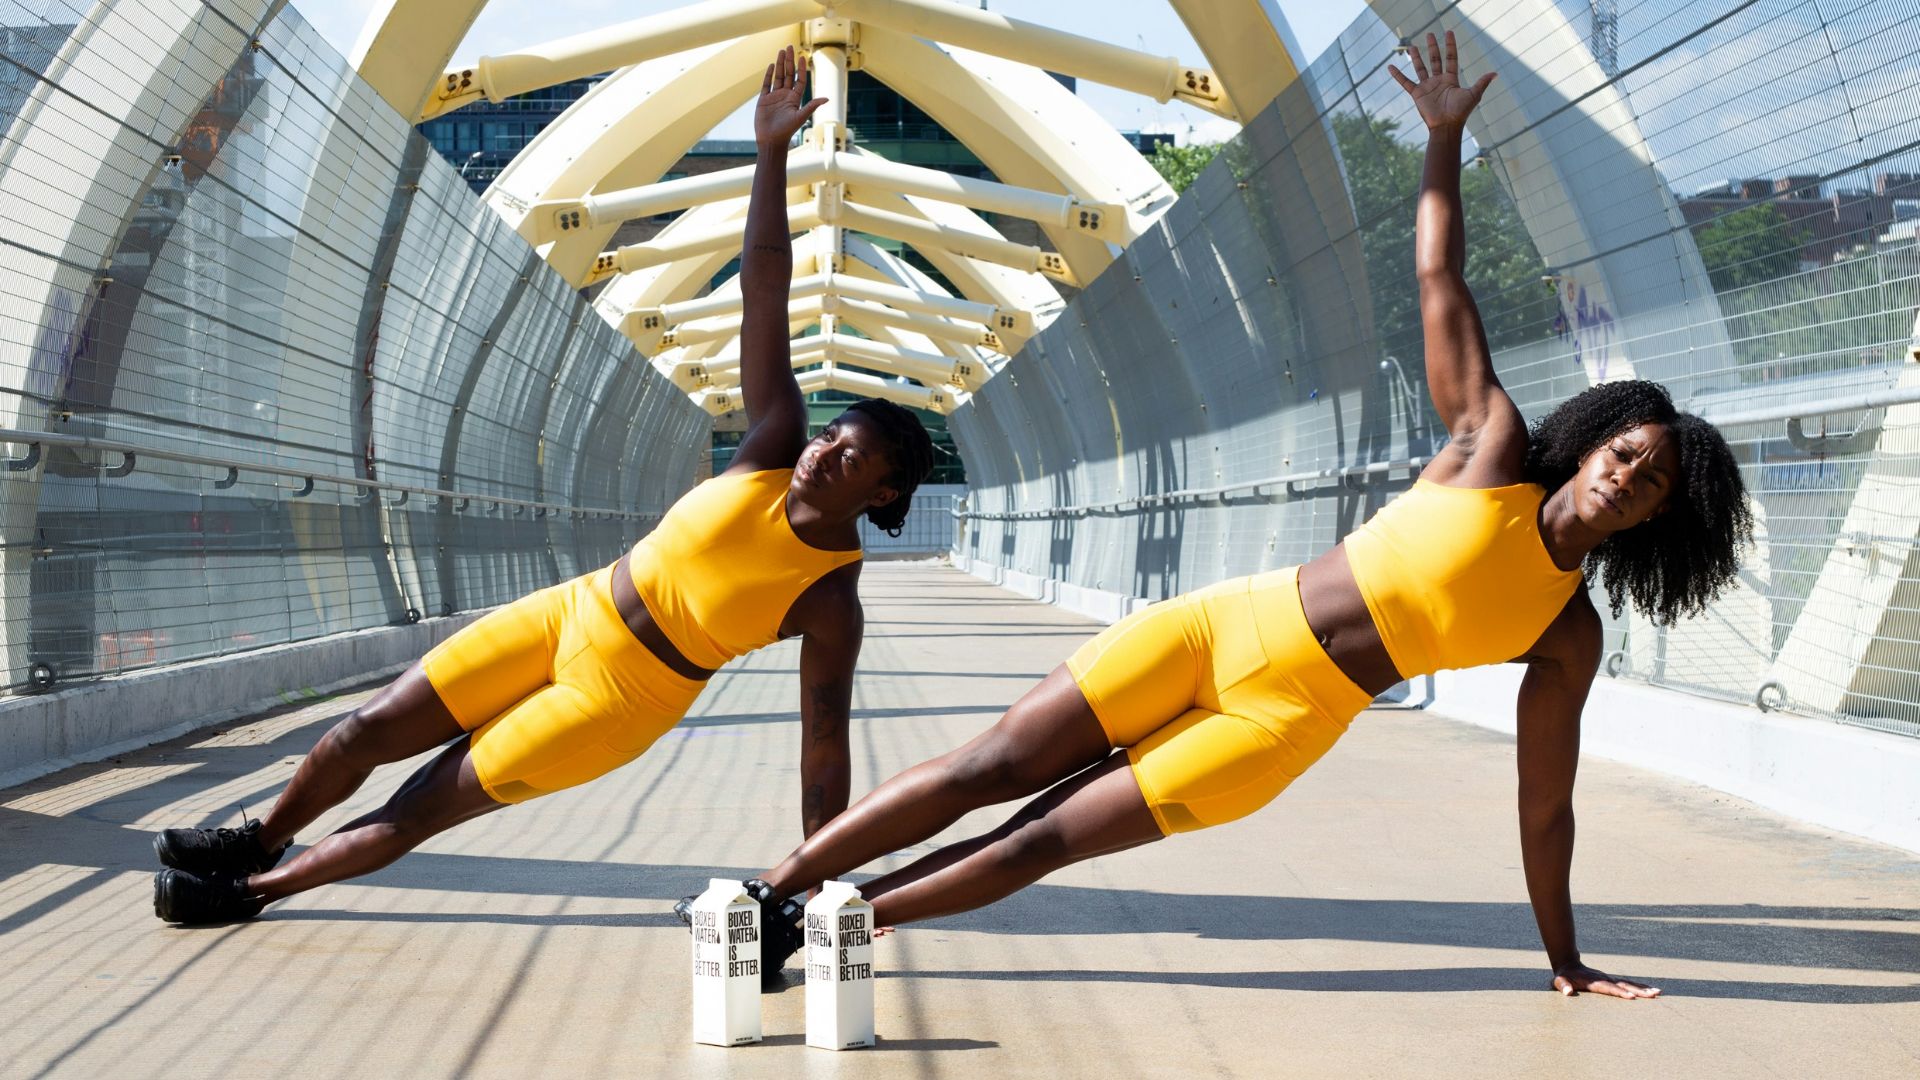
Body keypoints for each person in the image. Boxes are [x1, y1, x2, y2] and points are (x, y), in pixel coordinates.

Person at [703, 32, 1752, 999]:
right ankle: (766, 891)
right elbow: (1439, 276)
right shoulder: (1489, 451)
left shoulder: (1568, 631)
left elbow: (1544, 804)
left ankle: (817, 929)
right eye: (1628, 455)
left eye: (1655, 484)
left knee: (1040, 841)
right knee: (991, 767)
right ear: (1597, 437)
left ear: (1662, 518)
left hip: (1280, 723)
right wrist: (1440, 139)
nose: (1630, 478)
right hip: (1218, 627)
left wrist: (1562, 953)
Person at [152, 47, 934, 940]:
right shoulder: (769, 445)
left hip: (617, 700)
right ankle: (260, 840)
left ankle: (250, 896)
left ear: (884, 492)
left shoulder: (832, 598)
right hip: (571, 610)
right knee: (362, 731)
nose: (824, 453)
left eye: (850, 457)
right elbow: (763, 287)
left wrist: (813, 877)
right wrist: (768, 154)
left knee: (420, 805)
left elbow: (822, 745)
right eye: (833, 435)